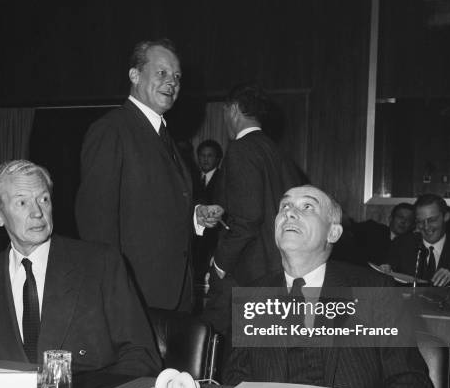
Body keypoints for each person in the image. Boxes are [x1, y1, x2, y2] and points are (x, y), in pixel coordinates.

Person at [224, 185, 435, 388]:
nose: (289, 212)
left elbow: (410, 384)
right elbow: (236, 379)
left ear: (333, 233)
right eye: (285, 205)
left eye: (307, 207)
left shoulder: (374, 291)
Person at [0, 160, 161, 375]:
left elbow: (141, 355)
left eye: (44, 199)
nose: (38, 212)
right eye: (22, 203)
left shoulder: (99, 263)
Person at [75, 39, 223, 311]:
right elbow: (96, 222)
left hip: (174, 293)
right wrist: (113, 293)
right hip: (134, 295)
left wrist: (195, 216)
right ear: (134, 75)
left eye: (177, 76)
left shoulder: (166, 136)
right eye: (162, 73)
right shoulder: (112, 130)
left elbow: (151, 209)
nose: (172, 82)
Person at [213, 83, 305, 286]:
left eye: (224, 111)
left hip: (248, 272)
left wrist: (220, 262)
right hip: (281, 268)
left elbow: (247, 219)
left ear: (234, 109)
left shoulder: (241, 149)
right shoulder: (277, 152)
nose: (224, 118)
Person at [388, 194, 450, 286]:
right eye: (420, 221)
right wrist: (385, 271)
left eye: (432, 220)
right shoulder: (401, 244)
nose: (426, 227)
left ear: (446, 217)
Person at [193, 140, 223, 283]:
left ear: (217, 159)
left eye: (210, 156)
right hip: (193, 241)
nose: (205, 159)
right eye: (202, 155)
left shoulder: (224, 179)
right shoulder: (190, 177)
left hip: (214, 240)